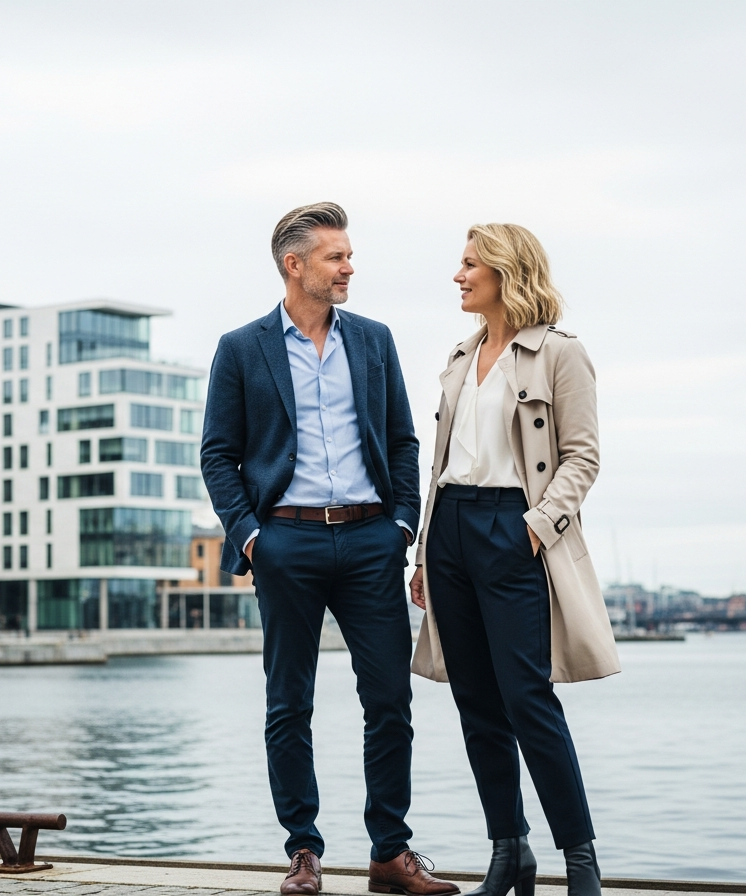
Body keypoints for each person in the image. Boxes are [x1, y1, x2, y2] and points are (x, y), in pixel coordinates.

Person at [202, 202, 457, 896]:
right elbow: (218, 455)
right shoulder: (242, 347)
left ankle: (390, 854)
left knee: (390, 702)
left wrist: (401, 526)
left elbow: (403, 441)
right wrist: (253, 539)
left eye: (348, 256)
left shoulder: (373, 341)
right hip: (286, 541)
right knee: (289, 703)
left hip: (372, 539)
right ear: (295, 265)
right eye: (336, 257)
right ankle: (304, 853)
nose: (349, 267)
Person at [409, 225, 620, 896]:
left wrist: (537, 527)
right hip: (449, 532)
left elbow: (582, 455)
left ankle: (581, 864)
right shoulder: (460, 356)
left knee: (529, 699)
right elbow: (438, 464)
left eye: (469, 264)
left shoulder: (561, 354)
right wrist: (422, 551)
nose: (458, 276)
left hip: (513, 528)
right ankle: (511, 855)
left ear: (505, 271)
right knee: (475, 701)